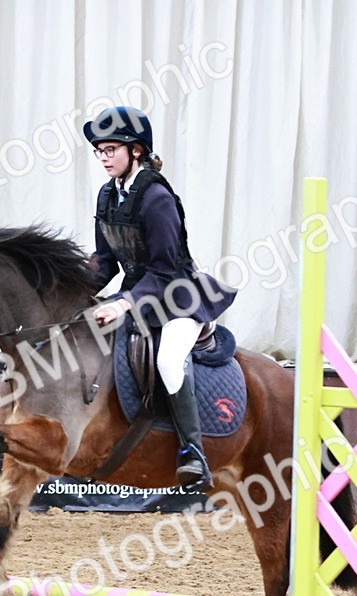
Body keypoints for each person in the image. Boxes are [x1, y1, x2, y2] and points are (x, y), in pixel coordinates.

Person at [84, 106, 236, 492]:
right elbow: (105, 262)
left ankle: (193, 453)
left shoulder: (156, 198)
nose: (103, 157)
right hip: (139, 292)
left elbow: (165, 270)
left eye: (110, 149)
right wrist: (74, 286)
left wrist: (122, 303)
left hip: (178, 296)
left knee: (169, 359)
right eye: (99, 150)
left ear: (135, 150)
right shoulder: (107, 195)